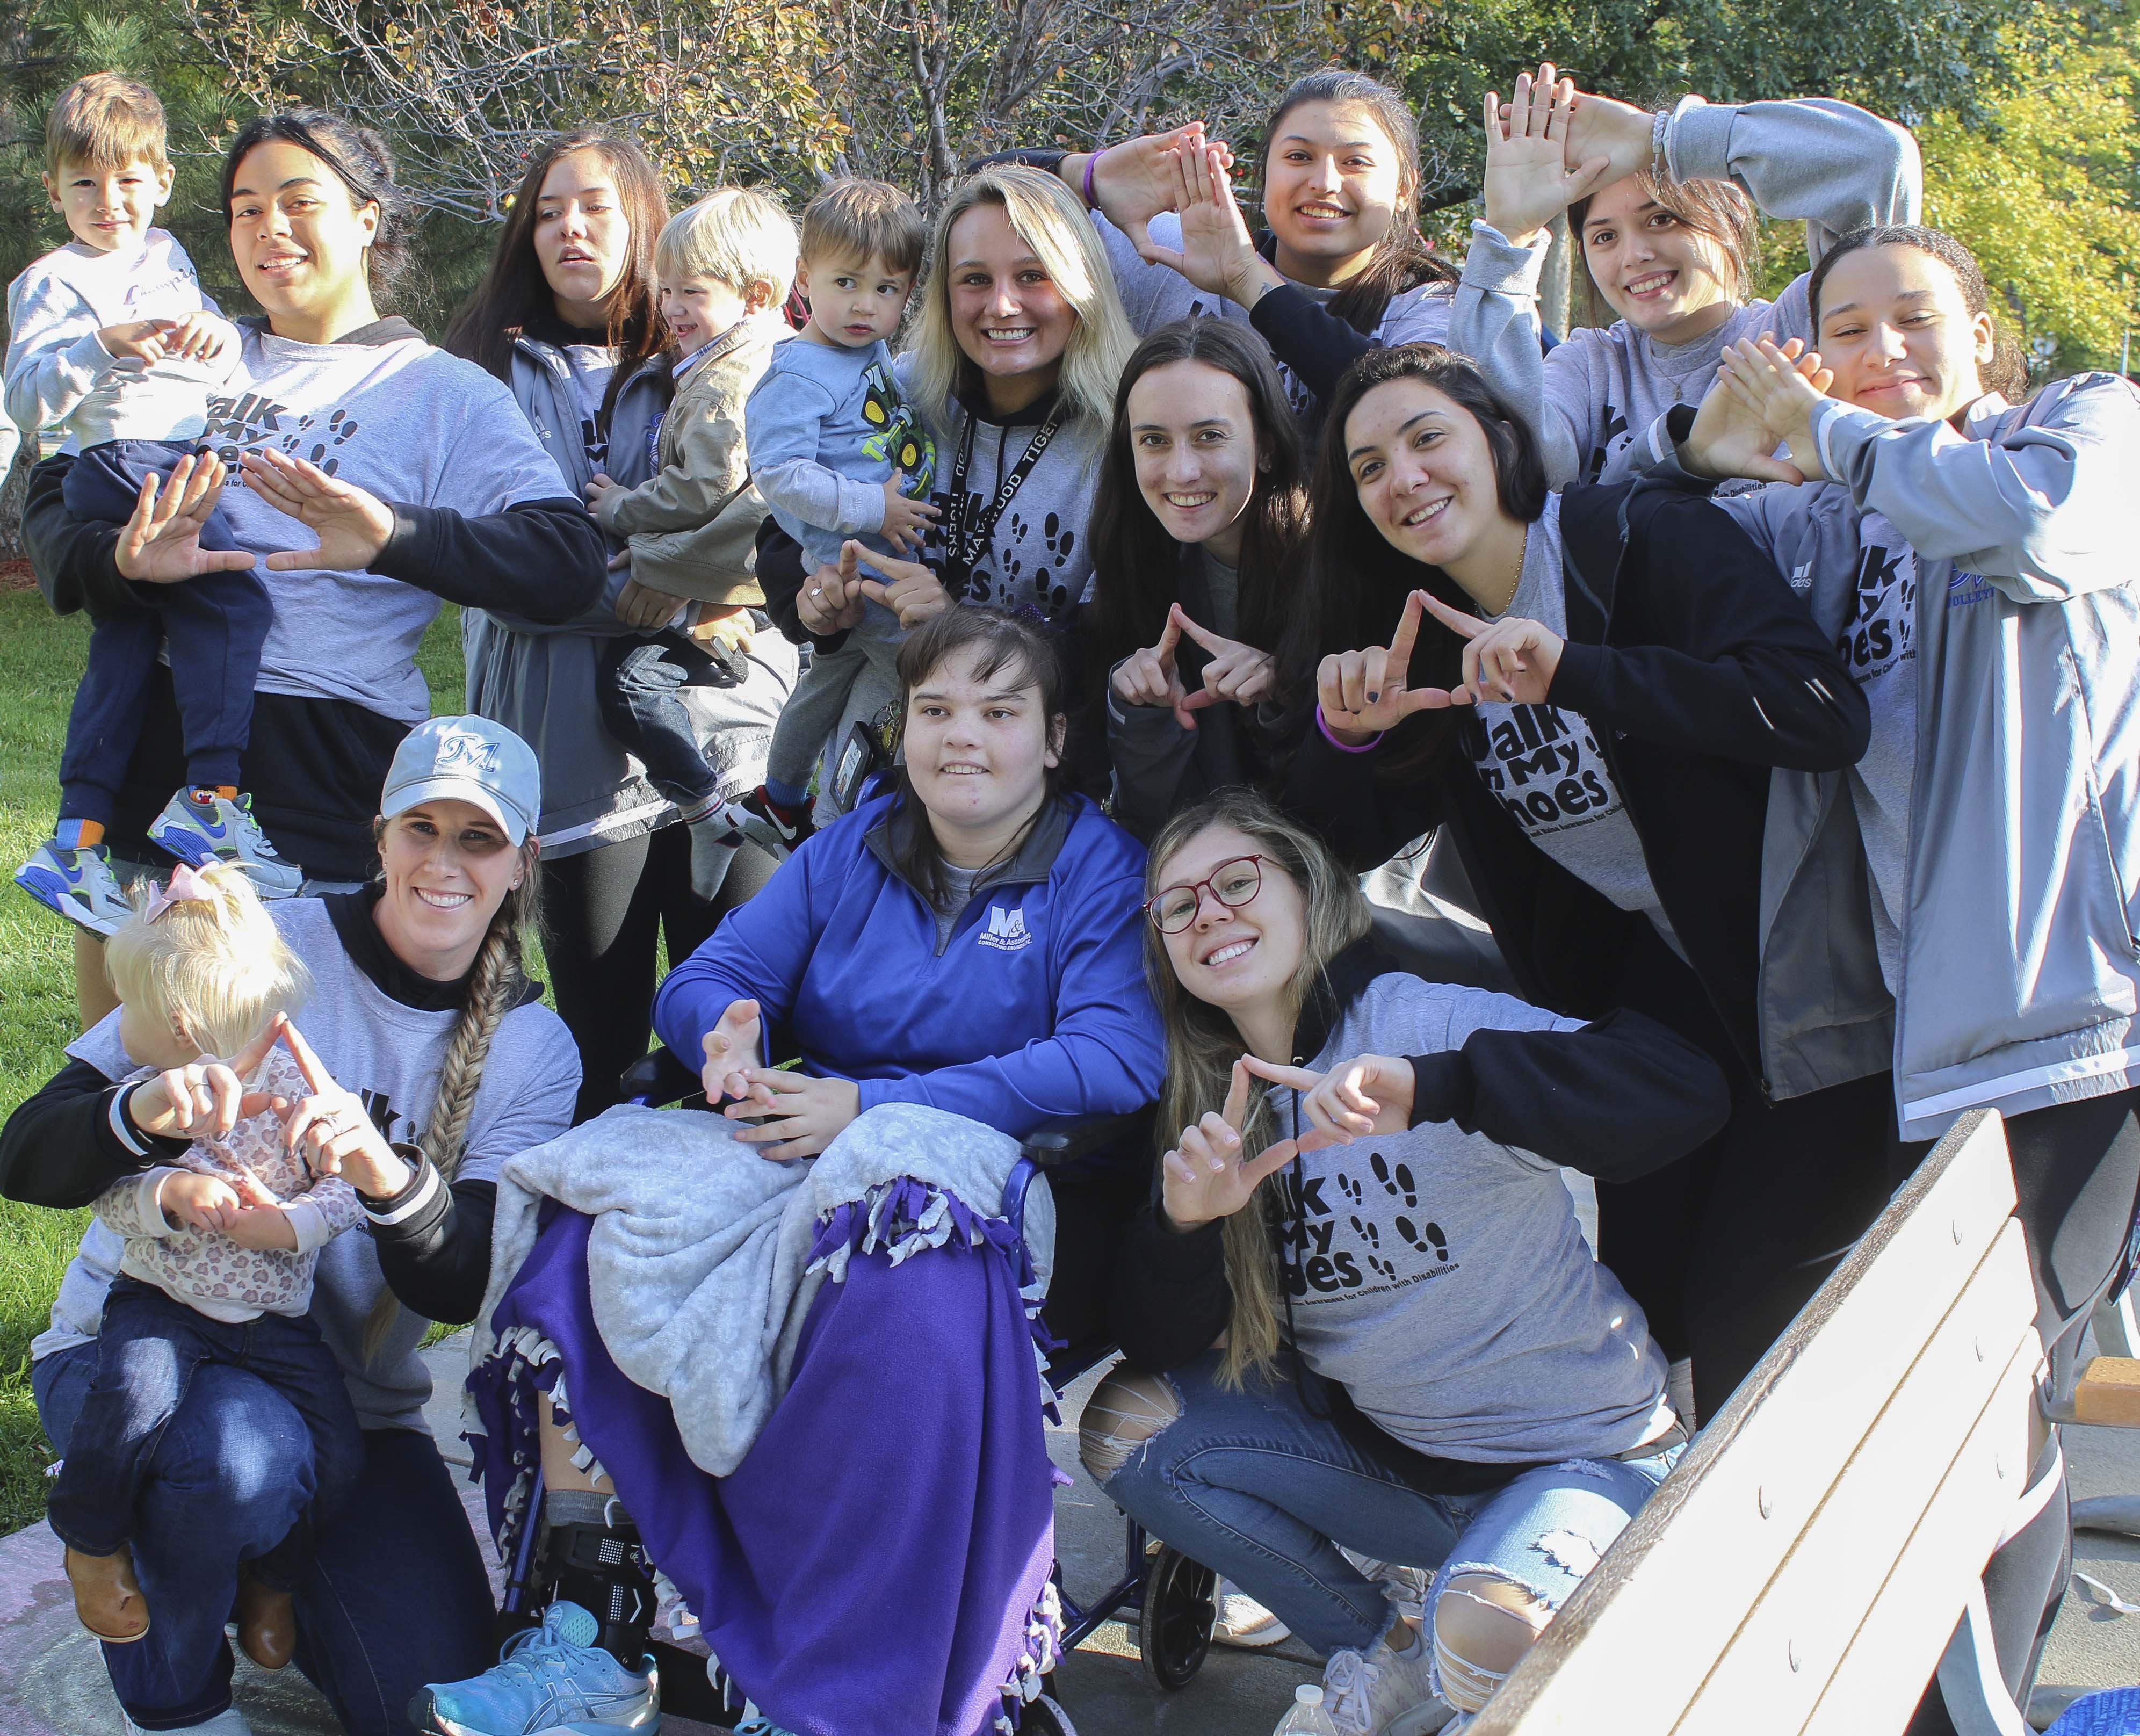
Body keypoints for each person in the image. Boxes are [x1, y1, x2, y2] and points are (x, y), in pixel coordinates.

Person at [426, 607, 1164, 1736]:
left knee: (892, 1276)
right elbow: (714, 976)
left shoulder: (1099, 870)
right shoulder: (849, 850)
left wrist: (872, 1104)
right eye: (936, 710)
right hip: (807, 1136)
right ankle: (593, 1634)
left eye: (1000, 711)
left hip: (984, 1184)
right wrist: (723, 1032)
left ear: (1057, 739)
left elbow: (1115, 1056)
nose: (962, 737)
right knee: (581, 1228)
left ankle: (840, 1678)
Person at [1672, 223, 2140, 1733]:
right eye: (1847, 327)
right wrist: (1715, 449)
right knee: (1925, 1398)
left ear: (1985, 332)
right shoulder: (1844, 517)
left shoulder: (2084, 428)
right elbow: (1662, 551)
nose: (1883, 348)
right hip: (1917, 1044)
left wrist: (1832, 431)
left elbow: (2039, 529)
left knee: (1979, 1399)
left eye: (1916, 317)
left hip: (2078, 1020)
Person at [1273, 342, 1870, 1426]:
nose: (1401, 478)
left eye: (1425, 438)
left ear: (1500, 441)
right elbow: (1329, 846)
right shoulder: (1425, 640)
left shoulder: (1632, 539)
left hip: (1810, 1004)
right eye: (1366, 468)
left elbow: (1818, 710)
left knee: (1754, 1343)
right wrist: (1344, 736)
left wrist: (1575, 673)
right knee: (1657, 1330)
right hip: (1667, 1028)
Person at [1083, 790, 1728, 1735]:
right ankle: (1387, 1652)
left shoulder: (1421, 1022)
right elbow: (1159, 1343)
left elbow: (1678, 1095)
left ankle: (1454, 1643)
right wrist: (1185, 1227)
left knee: (1484, 1640)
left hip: (1582, 1458)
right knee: (1128, 1432)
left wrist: (1445, 1088)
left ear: (1306, 888)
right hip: (1408, 1481)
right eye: (1176, 906)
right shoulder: (1212, 1095)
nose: (1208, 913)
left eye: (1233, 882)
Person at [2, 715, 582, 1736]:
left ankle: (250, 1574)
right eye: (422, 829)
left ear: (521, 862)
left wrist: (383, 1174)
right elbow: (29, 1147)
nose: (444, 863)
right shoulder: (259, 936)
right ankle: (174, 1697)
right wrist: (138, 1115)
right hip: (143, 1342)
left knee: (427, 1700)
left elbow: (460, 1283)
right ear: (379, 835)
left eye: (478, 839)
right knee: (230, 1460)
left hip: (346, 1402)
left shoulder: (534, 1051)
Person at [20, 108, 608, 1033]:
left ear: (367, 219)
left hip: (315, 757)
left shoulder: (438, 392)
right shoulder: (197, 349)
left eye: (300, 202)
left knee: (291, 1092)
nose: (268, 230)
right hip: (151, 744)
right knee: (130, 1078)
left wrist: (390, 535)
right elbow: (58, 489)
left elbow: (566, 563)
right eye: (245, 211)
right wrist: (123, 560)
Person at [446, 130, 795, 1121]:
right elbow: (497, 566)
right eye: (548, 209)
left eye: (594, 205)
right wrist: (688, 602)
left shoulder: (729, 358)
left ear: (645, 220)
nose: (568, 227)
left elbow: (785, 525)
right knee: (599, 1049)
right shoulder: (480, 374)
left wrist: (741, 585)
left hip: (726, 739)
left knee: (746, 1039)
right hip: (567, 759)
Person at [758, 164, 1135, 822]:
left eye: (1032, 275)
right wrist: (815, 595)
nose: (1002, 305)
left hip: (1023, 809)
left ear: (1081, 286)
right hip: (869, 785)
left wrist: (964, 631)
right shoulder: (902, 389)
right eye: (974, 280)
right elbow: (779, 518)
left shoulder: (1123, 440)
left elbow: (1117, 642)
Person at [51, 862, 358, 1668]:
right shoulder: (153, 1090)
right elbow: (106, 1198)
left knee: (339, 1450)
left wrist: (286, 1227)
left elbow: (345, 1196)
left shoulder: (303, 1085)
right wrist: (167, 1190)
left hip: (275, 1320)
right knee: (131, 1400)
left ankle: (274, 1581)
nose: (116, 1030)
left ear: (183, 1022)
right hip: (163, 1301)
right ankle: (91, 1540)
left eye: (129, 1014)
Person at [9, 73, 292, 931]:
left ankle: (75, 839)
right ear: (54, 190)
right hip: (122, 457)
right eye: (86, 184)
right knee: (231, 601)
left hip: (172, 448)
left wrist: (212, 333)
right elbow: (24, 400)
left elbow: (210, 349)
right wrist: (98, 346)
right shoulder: (53, 279)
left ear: (162, 181)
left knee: (128, 646)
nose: (109, 202)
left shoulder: (167, 256)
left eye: (129, 180)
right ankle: (211, 796)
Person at [1447, 64, 1919, 487]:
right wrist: (1509, 235)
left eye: (1661, 219)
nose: (1634, 255)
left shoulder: (1807, 323)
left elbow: (1878, 159)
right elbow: (1516, 465)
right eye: (1605, 237)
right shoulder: (1592, 366)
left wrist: (1664, 138)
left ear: (1727, 224)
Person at [1032, 69, 1457, 427]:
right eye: (1298, 156)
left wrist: (1246, 279)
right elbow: (985, 192)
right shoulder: (1166, 255)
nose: (1325, 182)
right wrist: (1087, 175)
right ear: (1265, 170)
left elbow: (1403, 409)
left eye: (1356, 162)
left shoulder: (1428, 309)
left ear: (1403, 189)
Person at [582, 186, 793, 896]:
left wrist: (623, 510)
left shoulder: (728, 381)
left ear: (757, 294)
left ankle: (708, 811)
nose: (671, 307)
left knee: (629, 683)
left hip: (738, 571)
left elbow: (705, 489)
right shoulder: (747, 362)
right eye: (664, 289)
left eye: (691, 292)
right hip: (754, 572)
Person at [742, 177, 936, 850]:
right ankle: (830, 821)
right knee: (899, 681)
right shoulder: (797, 374)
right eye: (847, 283)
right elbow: (777, 475)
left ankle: (783, 799)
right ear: (804, 276)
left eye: (887, 289)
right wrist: (871, 505)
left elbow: (885, 396)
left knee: (828, 685)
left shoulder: (863, 351)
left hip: (884, 556)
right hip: (856, 562)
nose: (865, 305)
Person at [1082, 316, 1304, 843]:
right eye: (1154, 440)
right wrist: (1138, 714)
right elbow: (1152, 822)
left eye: (1209, 436)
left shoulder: (1336, 565)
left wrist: (1289, 691)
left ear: (1268, 446)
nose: (1181, 470)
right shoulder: (1137, 564)